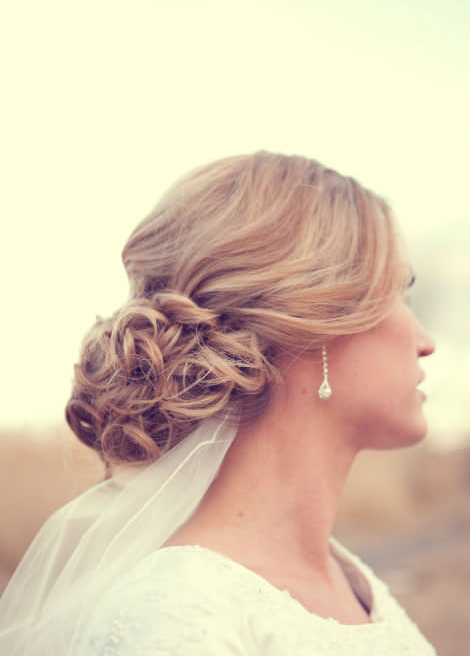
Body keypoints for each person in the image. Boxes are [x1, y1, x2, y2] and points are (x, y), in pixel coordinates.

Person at [0, 151, 437, 655]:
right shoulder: (175, 617)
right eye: (399, 295)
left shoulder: (350, 577)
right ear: (319, 315)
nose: (425, 340)